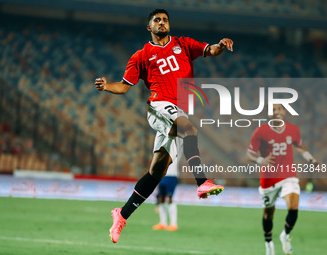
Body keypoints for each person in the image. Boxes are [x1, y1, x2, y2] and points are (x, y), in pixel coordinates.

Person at [95, 9, 233, 243]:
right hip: (160, 105)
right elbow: (124, 86)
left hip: (179, 110)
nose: (162, 23)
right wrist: (108, 86)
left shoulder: (184, 44)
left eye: (165, 20)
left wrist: (220, 44)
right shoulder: (141, 55)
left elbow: (210, 50)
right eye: (157, 20)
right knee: (190, 128)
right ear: (149, 27)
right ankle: (202, 183)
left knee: (157, 172)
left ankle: (122, 214)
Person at [246, 104, 319, 255]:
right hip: (268, 178)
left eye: (279, 109)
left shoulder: (293, 130)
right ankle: (269, 244)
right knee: (268, 213)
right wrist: (260, 160)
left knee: (293, 207)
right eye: (273, 110)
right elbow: (249, 154)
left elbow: (299, 146)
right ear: (269, 113)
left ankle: (285, 235)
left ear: (284, 112)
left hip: (288, 175)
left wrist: (311, 159)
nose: (277, 112)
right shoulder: (261, 131)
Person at [152, 138, 182, 231]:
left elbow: (180, 138)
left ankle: (173, 224)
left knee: (169, 198)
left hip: (172, 176)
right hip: (162, 175)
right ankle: (163, 223)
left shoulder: (177, 148)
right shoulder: (162, 148)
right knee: (161, 198)